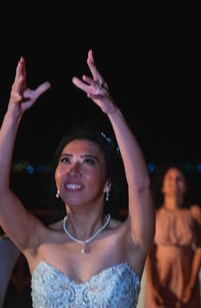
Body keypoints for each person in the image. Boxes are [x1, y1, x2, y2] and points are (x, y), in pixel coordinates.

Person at [0, 51, 154, 307]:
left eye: (88, 161)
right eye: (66, 160)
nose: (73, 169)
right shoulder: (37, 239)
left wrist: (112, 111)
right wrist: (12, 117)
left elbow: (141, 185)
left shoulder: (131, 240)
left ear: (108, 183)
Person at [145, 165, 201, 307]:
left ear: (185, 187)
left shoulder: (194, 213)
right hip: (160, 275)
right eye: (170, 178)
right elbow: (149, 252)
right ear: (162, 187)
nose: (174, 181)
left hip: (186, 273)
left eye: (179, 179)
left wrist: (191, 283)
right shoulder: (154, 215)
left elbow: (200, 248)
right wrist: (152, 284)